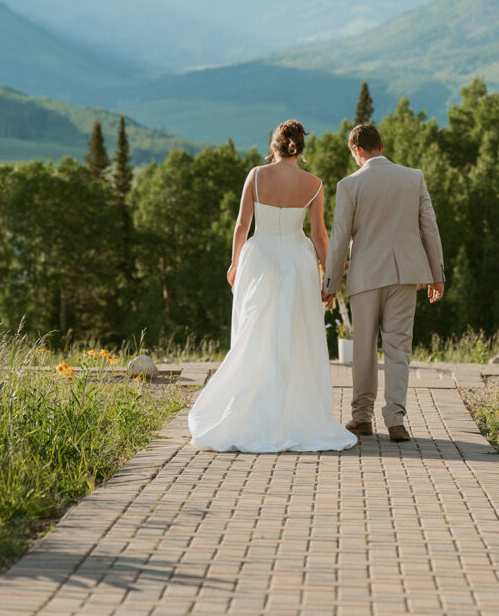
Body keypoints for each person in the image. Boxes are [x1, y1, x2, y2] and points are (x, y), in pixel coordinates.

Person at [189, 120, 357, 453]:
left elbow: (241, 225)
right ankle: (293, 412)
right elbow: (320, 235)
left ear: (274, 145)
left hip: (260, 258)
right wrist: (328, 275)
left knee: (255, 332)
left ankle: (249, 407)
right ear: (301, 148)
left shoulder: (256, 175)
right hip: (297, 261)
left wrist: (235, 263)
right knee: (297, 336)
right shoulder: (314, 184)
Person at [322, 123, 444, 443]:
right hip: (406, 275)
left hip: (365, 276)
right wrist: (437, 275)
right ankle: (396, 420)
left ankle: (362, 417)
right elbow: (429, 228)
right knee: (398, 348)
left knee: (363, 348)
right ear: (383, 146)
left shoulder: (349, 185)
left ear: (357, 150)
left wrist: (330, 282)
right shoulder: (413, 177)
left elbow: (339, 238)